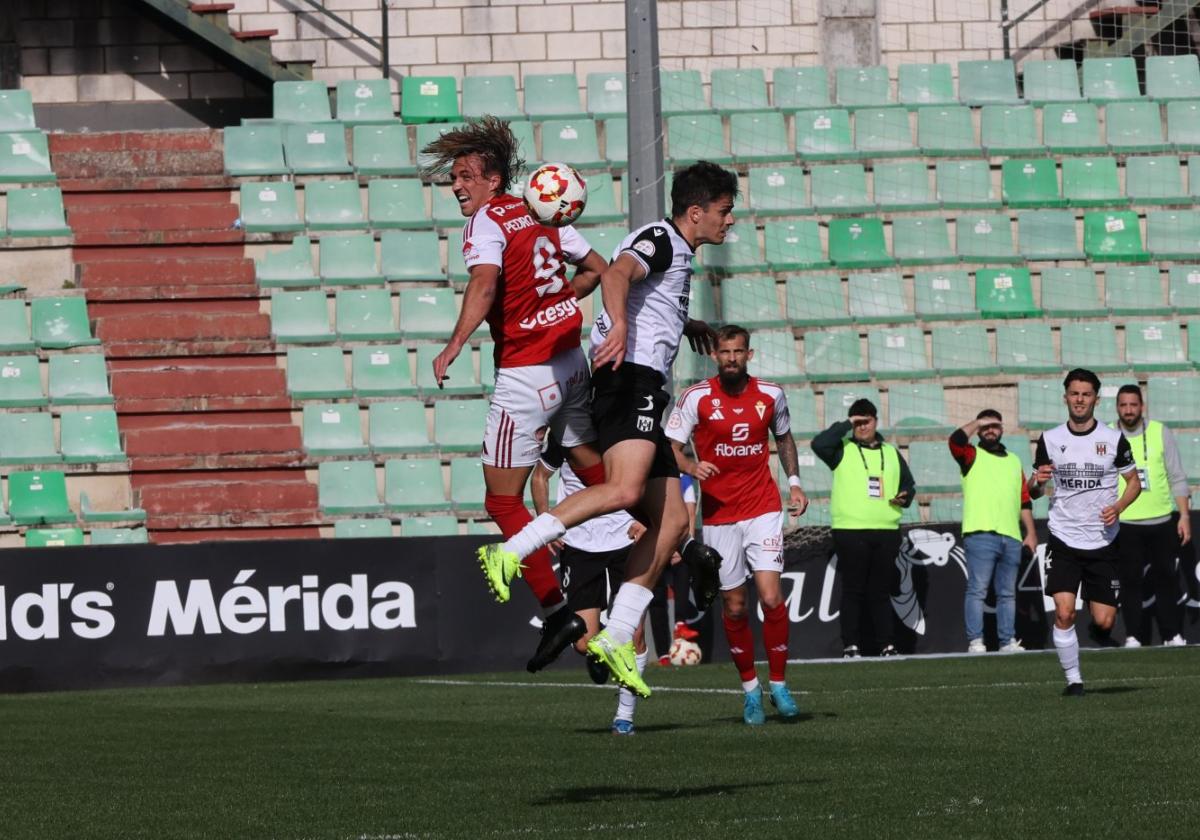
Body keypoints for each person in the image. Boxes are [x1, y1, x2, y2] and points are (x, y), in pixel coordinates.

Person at [477, 161, 739, 697]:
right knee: (622, 491)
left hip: (648, 387)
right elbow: (617, 273)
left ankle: (618, 635)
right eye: (724, 211)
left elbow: (648, 295)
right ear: (697, 211)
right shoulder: (660, 238)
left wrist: (686, 323)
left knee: (670, 525)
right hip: (629, 382)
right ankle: (510, 552)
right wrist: (618, 324)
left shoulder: (676, 250)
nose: (729, 221)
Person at [420, 117, 610, 672]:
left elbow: (483, 283)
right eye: (453, 178)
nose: (457, 186)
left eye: (464, 176)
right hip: (572, 364)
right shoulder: (542, 208)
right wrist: (560, 304)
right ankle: (643, 551)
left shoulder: (485, 219)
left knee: (502, 501)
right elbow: (596, 269)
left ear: (492, 177)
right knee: (594, 473)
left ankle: (558, 613)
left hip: (527, 376)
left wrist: (455, 343)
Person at [666, 325, 810, 725]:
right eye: (725, 351)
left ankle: (779, 685)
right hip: (719, 515)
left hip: (762, 507)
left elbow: (784, 438)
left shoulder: (771, 394)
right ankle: (750, 691)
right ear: (714, 355)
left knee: (770, 596)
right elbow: (669, 448)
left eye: (739, 351)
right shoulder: (695, 397)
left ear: (750, 354)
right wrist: (692, 467)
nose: (732, 358)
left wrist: (794, 485)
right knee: (734, 606)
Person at [1030, 369, 1140, 697]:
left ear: (1096, 399)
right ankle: (1074, 680)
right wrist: (1038, 480)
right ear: (1065, 397)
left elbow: (1134, 482)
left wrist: (1118, 507)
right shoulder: (1049, 439)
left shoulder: (1113, 439)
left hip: (1102, 541)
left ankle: (1097, 613)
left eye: (1086, 394)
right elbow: (1034, 491)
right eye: (1074, 393)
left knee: (1104, 623)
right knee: (1064, 612)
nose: (1080, 399)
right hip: (1063, 538)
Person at [531, 437, 647, 735]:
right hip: (580, 542)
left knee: (634, 636)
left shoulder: (626, 431)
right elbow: (540, 476)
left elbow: (652, 476)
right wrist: (547, 521)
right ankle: (604, 646)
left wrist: (648, 519)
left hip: (627, 537)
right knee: (583, 643)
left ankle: (624, 717)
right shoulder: (569, 434)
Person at [812, 398, 916, 658]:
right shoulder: (841, 449)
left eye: (866, 420)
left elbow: (909, 484)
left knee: (881, 591)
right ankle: (851, 645)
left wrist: (905, 495)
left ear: (875, 421)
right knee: (853, 590)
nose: (862, 426)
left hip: (886, 530)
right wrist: (846, 424)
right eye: (857, 422)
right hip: (850, 530)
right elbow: (818, 443)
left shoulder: (891, 452)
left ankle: (886, 644)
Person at [949, 410, 1038, 654]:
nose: (990, 430)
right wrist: (977, 421)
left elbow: (1024, 500)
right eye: (985, 426)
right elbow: (955, 441)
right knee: (977, 590)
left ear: (1002, 429)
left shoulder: (1013, 460)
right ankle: (976, 641)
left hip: (1011, 535)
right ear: (978, 430)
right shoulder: (971, 455)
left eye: (995, 425)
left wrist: (1030, 532)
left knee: (1007, 594)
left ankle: (1007, 641)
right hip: (980, 534)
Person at [1113, 384, 1190, 648]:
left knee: (1167, 579)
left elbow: (1177, 477)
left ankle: (1171, 634)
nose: (1128, 410)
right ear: (1117, 408)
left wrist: (1184, 516)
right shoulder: (1109, 436)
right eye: (1123, 405)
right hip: (1125, 522)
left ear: (1142, 406)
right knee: (1130, 581)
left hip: (1161, 520)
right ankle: (1133, 634)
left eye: (1133, 404)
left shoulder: (1160, 432)